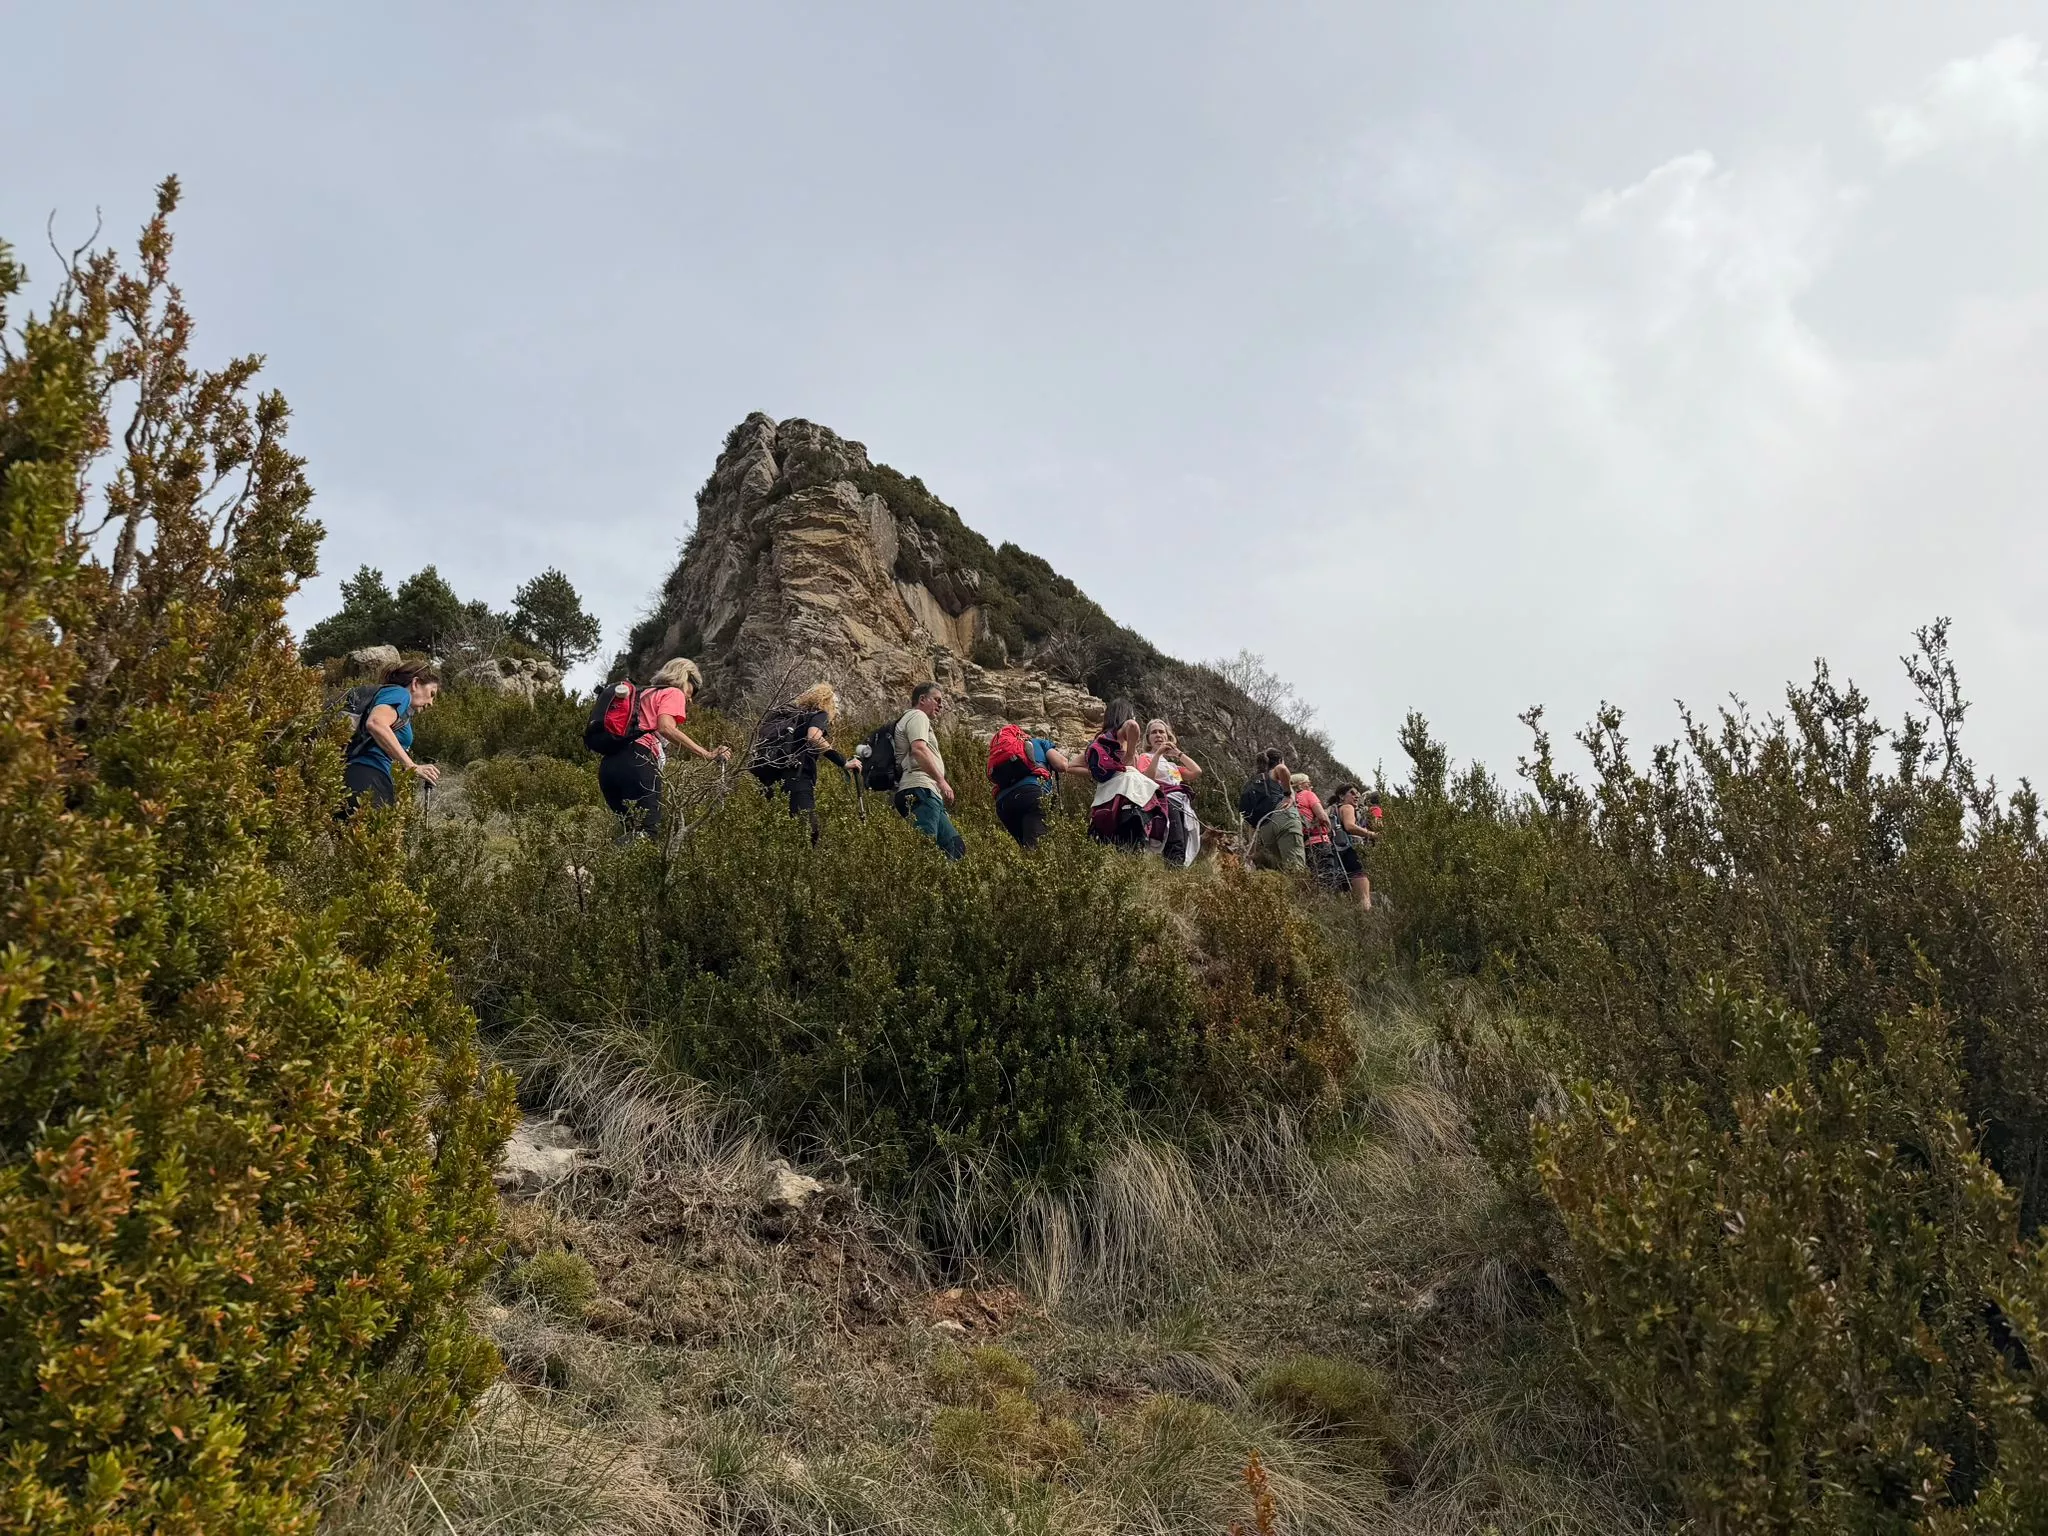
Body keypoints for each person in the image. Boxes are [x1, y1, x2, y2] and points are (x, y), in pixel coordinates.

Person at [599, 657, 731, 839]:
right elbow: (666, 728)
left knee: (632, 833)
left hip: (609, 766)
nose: (690, 699)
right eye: (691, 691)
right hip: (638, 762)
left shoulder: (642, 693)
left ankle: (610, 856)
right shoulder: (673, 692)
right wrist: (707, 754)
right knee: (648, 833)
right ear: (685, 678)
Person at [751, 681, 856, 843]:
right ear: (828, 703)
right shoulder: (819, 715)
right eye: (835, 707)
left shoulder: (791, 716)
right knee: (809, 831)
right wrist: (843, 762)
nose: (835, 712)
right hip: (797, 777)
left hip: (769, 777)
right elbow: (813, 736)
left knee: (776, 833)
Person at [344, 662, 442, 812]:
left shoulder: (395, 705)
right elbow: (376, 723)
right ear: (415, 683)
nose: (431, 702)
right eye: (432, 694)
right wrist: (411, 766)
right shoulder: (400, 694)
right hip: (369, 776)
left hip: (353, 775)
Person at [893, 681, 965, 860]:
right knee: (926, 848)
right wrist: (941, 781)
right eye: (937, 700)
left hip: (926, 791)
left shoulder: (914, 718)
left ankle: (942, 878)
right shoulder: (918, 716)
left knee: (955, 846)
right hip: (920, 789)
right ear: (922, 699)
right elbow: (918, 749)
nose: (941, 705)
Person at [988, 724, 1086, 849]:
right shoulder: (1038, 742)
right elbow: (1061, 765)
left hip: (1003, 803)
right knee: (1037, 849)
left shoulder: (998, 756)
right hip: (1031, 795)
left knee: (1026, 848)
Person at [1085, 699, 1161, 851]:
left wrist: (1109, 771)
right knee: (1131, 841)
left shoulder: (1102, 740)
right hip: (1128, 795)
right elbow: (1132, 726)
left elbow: (1071, 766)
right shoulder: (1121, 735)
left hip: (1106, 795)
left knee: (1110, 840)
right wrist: (1130, 755)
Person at [1135, 718, 1203, 868]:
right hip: (1165, 802)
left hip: (1182, 804)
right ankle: (1174, 873)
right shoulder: (1145, 757)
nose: (1158, 735)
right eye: (1154, 732)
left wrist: (1178, 754)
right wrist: (1158, 754)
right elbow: (1147, 778)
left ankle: (1177, 873)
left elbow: (1196, 771)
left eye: (1162, 732)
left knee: (1184, 842)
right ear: (1148, 738)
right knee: (1175, 840)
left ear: (1167, 736)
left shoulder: (1172, 765)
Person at [1239, 748, 1304, 873]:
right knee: (1295, 868)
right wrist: (1288, 794)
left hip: (1266, 827)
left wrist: (1252, 849)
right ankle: (1299, 884)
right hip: (1283, 817)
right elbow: (1282, 769)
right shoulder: (1274, 773)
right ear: (1280, 760)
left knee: (1280, 867)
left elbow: (1252, 822)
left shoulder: (1255, 780)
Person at [1328, 783, 1375, 909]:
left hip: (1341, 852)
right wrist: (1372, 834)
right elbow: (1350, 826)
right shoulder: (1347, 807)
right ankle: (1366, 910)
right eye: (1352, 793)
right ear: (1341, 796)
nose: (1356, 796)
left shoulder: (1335, 809)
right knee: (1362, 887)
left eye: (1358, 793)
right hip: (1353, 849)